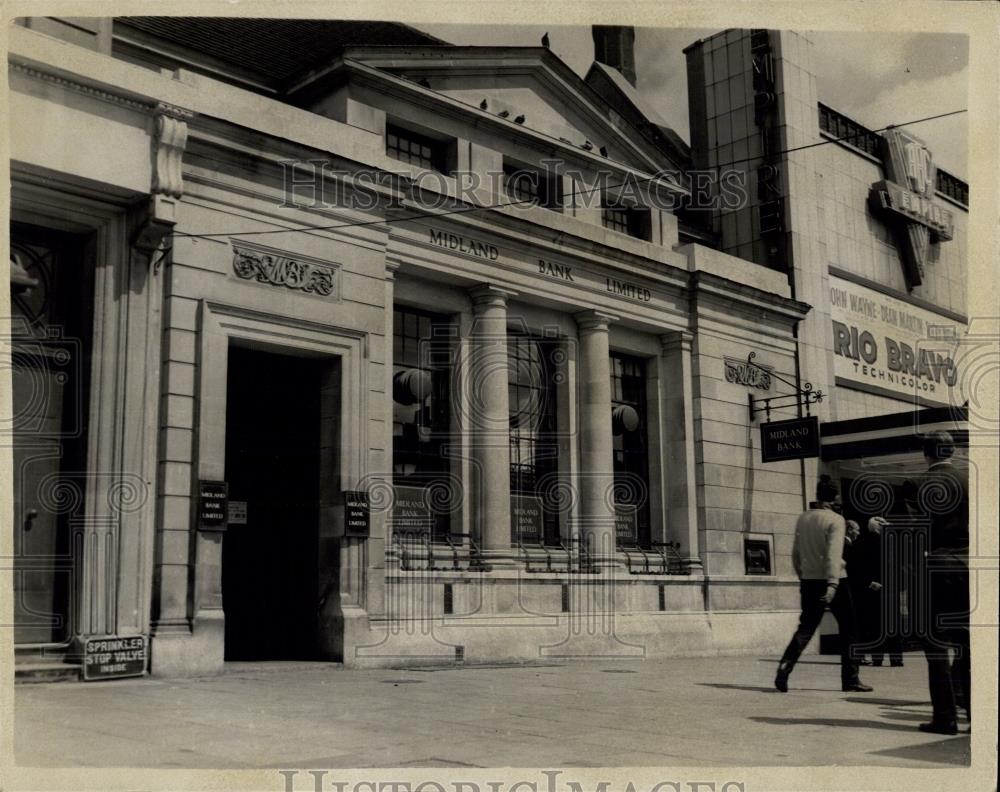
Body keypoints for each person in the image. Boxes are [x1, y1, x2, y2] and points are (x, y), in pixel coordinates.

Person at [775, 475, 873, 693]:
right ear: (835, 497)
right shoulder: (836, 520)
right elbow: (833, 554)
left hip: (809, 580)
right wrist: (832, 584)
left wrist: (803, 576)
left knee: (806, 627)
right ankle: (851, 679)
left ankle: (786, 664)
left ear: (818, 496)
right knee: (850, 628)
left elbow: (796, 553)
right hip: (835, 581)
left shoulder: (803, 518)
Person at [916, 431, 970, 735]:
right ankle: (978, 713)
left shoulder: (922, 483)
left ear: (927, 454)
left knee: (935, 646)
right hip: (971, 565)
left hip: (938, 567)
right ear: (950, 452)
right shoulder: (970, 481)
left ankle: (945, 717)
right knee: (969, 643)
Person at [860, 516, 904, 668]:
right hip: (888, 587)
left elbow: (862, 566)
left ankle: (878, 658)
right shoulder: (891, 542)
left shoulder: (867, 542)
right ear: (878, 527)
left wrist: (869, 581)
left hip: (877, 588)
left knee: (876, 625)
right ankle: (896, 659)